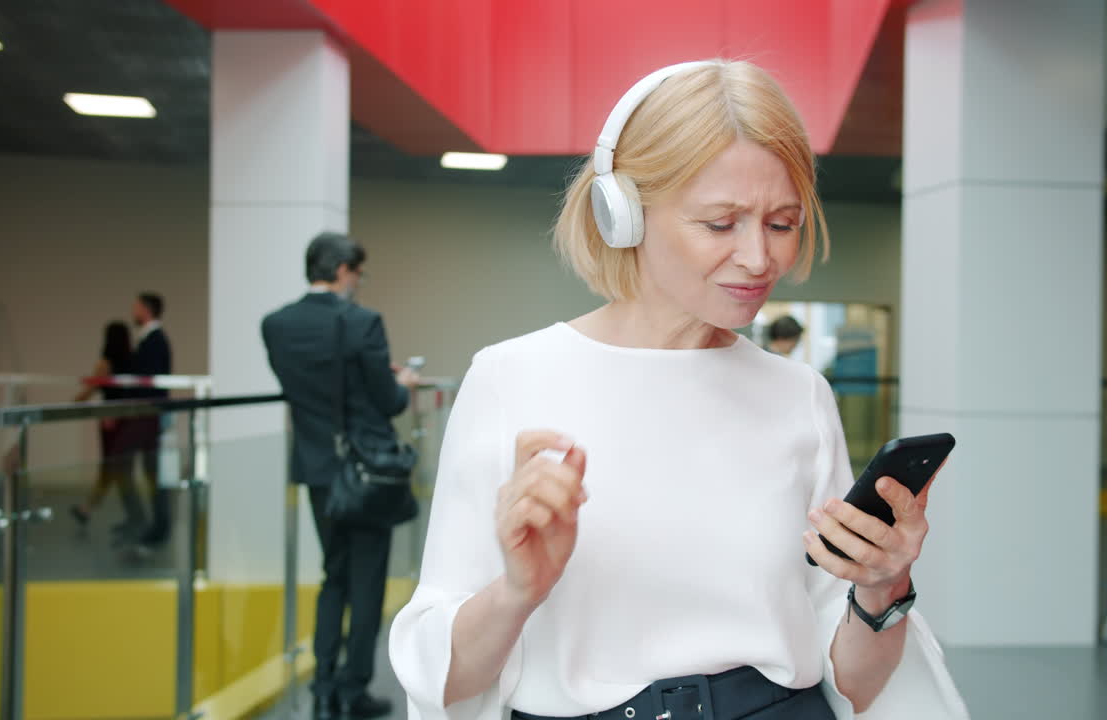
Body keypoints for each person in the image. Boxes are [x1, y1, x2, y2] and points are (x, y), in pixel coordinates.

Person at [389, 60, 945, 720]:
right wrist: (516, 592)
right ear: (622, 213)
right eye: (720, 223)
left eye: (782, 222)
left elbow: (853, 681)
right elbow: (442, 681)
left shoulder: (800, 396)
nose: (759, 258)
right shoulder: (510, 380)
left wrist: (884, 588)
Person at [262, 232, 423, 720]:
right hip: (366, 471)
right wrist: (403, 384)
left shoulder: (276, 326)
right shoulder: (362, 323)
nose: (357, 282)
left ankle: (323, 684)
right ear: (342, 270)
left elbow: (305, 392)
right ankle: (355, 690)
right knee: (367, 579)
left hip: (317, 468)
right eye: (357, 273)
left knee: (333, 575)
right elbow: (388, 401)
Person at [69, 321, 145, 530]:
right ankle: (95, 509)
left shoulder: (105, 363)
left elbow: (89, 390)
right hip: (126, 420)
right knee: (120, 469)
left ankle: (93, 509)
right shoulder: (133, 360)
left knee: (112, 469)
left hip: (111, 421)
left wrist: (73, 402)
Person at [128, 292, 174, 555]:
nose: (133, 310)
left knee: (155, 473)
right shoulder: (150, 339)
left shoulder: (155, 340)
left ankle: (159, 526)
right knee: (151, 473)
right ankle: (156, 525)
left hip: (150, 419)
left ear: (146, 309)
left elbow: (150, 384)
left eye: (136, 306)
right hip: (148, 418)